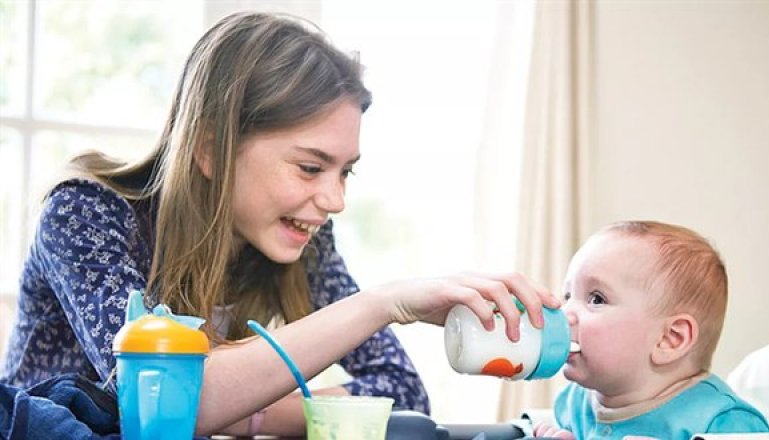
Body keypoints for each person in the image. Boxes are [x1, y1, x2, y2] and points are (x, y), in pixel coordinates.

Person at [0, 11, 559, 437]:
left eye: (346, 173)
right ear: (210, 150)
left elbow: (397, 389)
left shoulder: (296, 238)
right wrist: (383, 303)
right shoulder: (87, 215)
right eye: (311, 167)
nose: (334, 200)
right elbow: (163, 405)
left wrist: (250, 411)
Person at [534, 221, 769, 440]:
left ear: (670, 339)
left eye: (596, 299)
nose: (565, 313)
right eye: (567, 296)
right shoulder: (574, 401)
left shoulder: (724, 423)